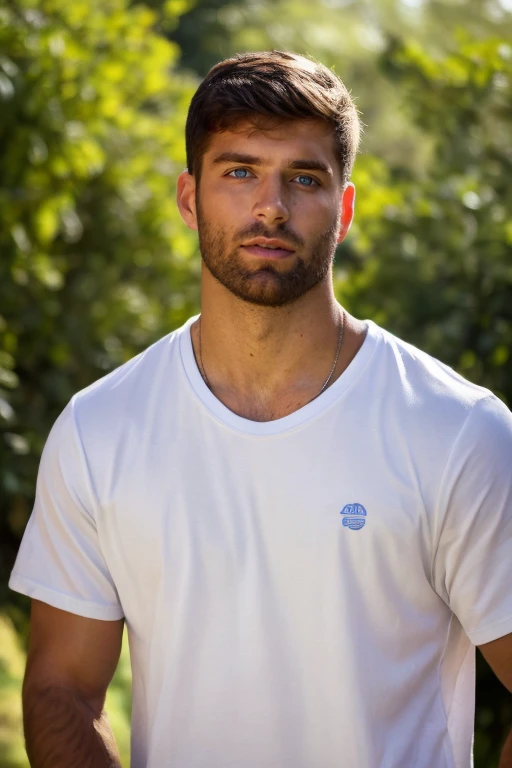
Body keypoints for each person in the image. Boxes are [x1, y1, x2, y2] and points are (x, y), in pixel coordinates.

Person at [9, 50, 512, 768]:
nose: (270, 206)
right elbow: (61, 688)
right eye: (239, 171)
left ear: (343, 209)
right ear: (189, 198)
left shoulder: (459, 432)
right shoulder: (100, 430)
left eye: (303, 178)